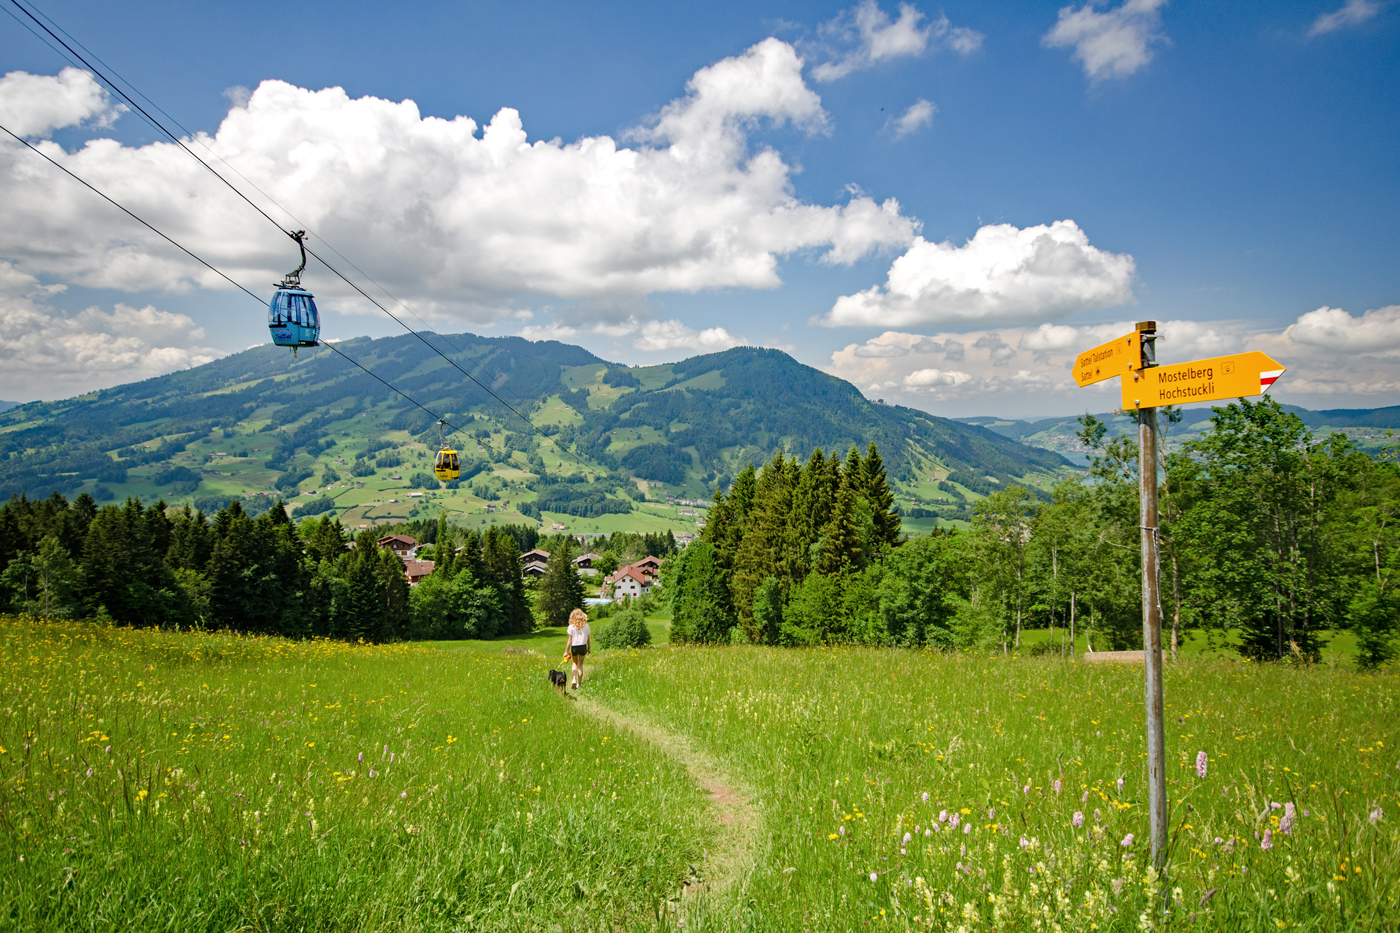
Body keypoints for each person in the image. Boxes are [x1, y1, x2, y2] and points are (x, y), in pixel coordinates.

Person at [563, 608, 590, 690]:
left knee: (574, 663)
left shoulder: (571, 627)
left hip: (574, 647)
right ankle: (579, 684)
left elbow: (569, 640)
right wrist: (589, 648)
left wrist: (566, 651)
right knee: (580, 665)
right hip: (583, 646)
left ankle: (574, 678)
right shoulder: (586, 626)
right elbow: (588, 638)